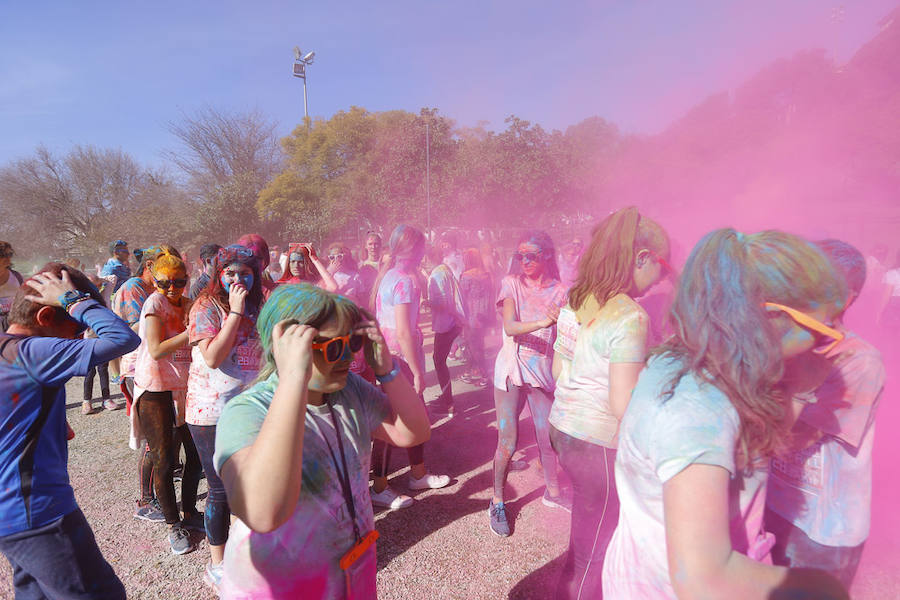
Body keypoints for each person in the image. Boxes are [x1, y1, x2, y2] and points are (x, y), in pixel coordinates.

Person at [602, 229, 850, 600]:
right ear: (770, 318)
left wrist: (800, 385)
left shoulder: (686, 355)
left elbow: (741, 454)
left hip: (639, 572)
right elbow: (704, 580)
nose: (836, 338)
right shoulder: (698, 410)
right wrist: (826, 589)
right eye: (824, 330)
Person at [214, 283, 432, 599]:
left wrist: (386, 368)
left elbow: (413, 433)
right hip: (277, 588)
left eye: (352, 342)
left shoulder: (349, 390)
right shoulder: (246, 411)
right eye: (332, 347)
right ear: (287, 348)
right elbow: (262, 513)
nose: (346, 357)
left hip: (345, 576)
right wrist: (293, 379)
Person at [548, 208, 669, 599]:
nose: (662, 279)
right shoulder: (630, 316)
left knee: (584, 541)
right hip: (598, 445)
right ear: (643, 258)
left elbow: (557, 367)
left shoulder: (576, 298)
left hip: (562, 429)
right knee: (594, 554)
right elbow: (623, 404)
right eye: (662, 268)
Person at [0, 263, 139, 599]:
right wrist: (74, 301)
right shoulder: (33, 354)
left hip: (11, 515)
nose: (80, 339)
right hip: (40, 513)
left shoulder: (7, 349)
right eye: (77, 331)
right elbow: (122, 338)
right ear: (46, 317)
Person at [765, 239, 885, 588]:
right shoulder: (788, 341)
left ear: (847, 297)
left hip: (824, 530)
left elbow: (800, 434)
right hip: (775, 504)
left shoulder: (860, 360)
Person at [186, 244, 264, 590]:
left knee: (248, 486)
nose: (237, 279)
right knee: (219, 490)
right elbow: (214, 357)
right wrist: (234, 312)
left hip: (248, 406)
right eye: (230, 272)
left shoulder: (259, 303)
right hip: (210, 410)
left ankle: (243, 552)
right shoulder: (206, 306)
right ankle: (217, 565)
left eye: (244, 272)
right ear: (219, 274)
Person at [489, 230, 570, 537]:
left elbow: (567, 334)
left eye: (532, 255)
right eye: (520, 255)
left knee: (548, 439)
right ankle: (497, 500)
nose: (524, 261)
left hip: (542, 373)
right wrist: (543, 322)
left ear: (547, 256)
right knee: (508, 441)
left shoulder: (562, 291)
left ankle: (553, 492)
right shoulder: (511, 284)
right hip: (510, 371)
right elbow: (510, 327)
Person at [370, 225, 450, 510]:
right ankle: (380, 486)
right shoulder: (403, 280)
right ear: (414, 250)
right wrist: (417, 372)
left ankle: (417, 474)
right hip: (400, 361)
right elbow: (403, 331)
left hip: (389, 357)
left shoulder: (389, 276)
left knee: (402, 419)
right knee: (395, 421)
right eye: (420, 247)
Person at [133, 249, 203, 555]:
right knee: (164, 459)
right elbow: (157, 348)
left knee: (197, 457)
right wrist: (191, 333)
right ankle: (173, 524)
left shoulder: (188, 303)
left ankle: (190, 513)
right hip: (156, 388)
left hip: (186, 387)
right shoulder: (154, 302)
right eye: (165, 282)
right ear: (155, 280)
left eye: (179, 281)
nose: (173, 287)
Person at [427, 243, 466, 414]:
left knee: (438, 361)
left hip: (446, 324)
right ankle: (446, 398)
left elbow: (444, 303)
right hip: (452, 323)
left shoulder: (437, 273)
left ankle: (448, 401)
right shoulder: (446, 270)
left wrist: (426, 302)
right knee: (439, 360)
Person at [458, 248, 494, 386]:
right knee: (476, 345)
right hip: (484, 314)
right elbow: (492, 295)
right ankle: (469, 372)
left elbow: (461, 297)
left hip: (471, 316)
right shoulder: (486, 274)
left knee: (473, 346)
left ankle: (484, 375)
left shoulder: (466, 276)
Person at [0, 241, 24, 332]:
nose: (8, 258)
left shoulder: (17, 277)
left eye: (10, 254)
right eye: (2, 254)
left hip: (14, 328)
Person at [358, 231, 385, 306]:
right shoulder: (361, 266)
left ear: (380, 245)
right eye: (370, 244)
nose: (373, 247)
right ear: (366, 246)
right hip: (367, 304)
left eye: (376, 244)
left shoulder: (386, 265)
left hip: (384, 303)